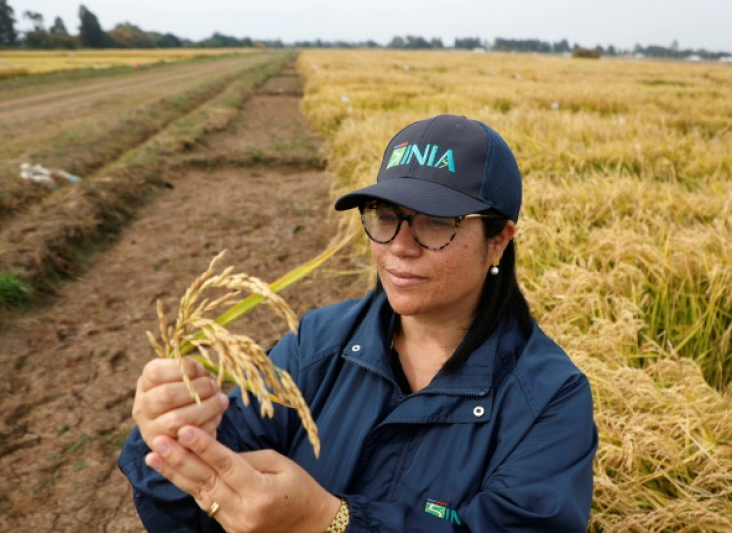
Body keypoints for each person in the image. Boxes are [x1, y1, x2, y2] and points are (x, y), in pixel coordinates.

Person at [118, 114, 598, 532]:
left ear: (499, 240)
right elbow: (198, 507)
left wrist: (329, 520)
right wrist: (171, 438)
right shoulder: (315, 345)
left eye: (436, 222)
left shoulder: (548, 397)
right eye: (385, 216)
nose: (399, 247)